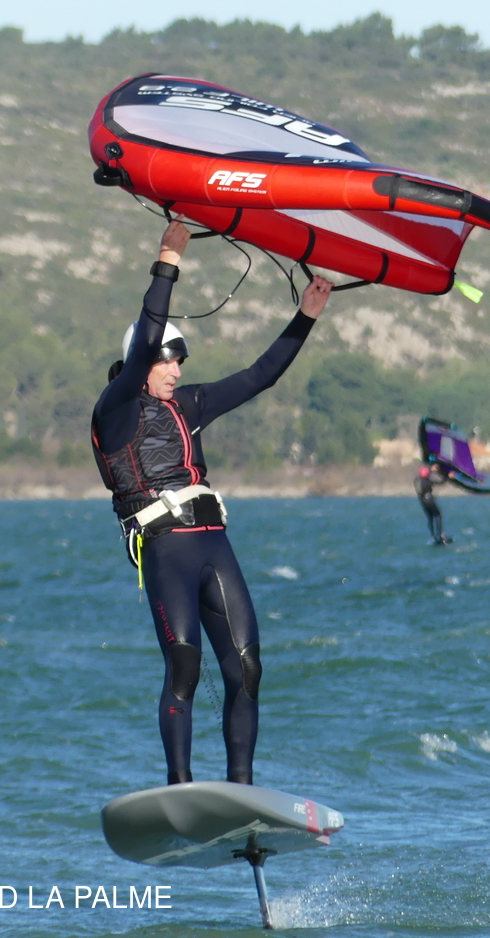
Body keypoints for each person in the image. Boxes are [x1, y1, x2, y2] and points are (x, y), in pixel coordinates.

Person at [91, 220, 332, 786]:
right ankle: (180, 785)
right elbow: (145, 338)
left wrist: (307, 315)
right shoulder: (116, 410)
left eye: (180, 362)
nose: (176, 371)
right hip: (166, 549)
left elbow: (259, 376)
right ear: (140, 365)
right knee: (185, 665)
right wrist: (168, 260)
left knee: (247, 667)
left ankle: (240, 789)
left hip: (214, 546)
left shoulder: (190, 405)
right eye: (166, 361)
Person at [414, 464, 452, 545]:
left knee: (430, 518)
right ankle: (439, 535)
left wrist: (430, 469)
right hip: (430, 501)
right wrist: (447, 477)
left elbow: (425, 473)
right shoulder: (428, 482)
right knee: (438, 515)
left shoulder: (417, 481)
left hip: (423, 502)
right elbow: (440, 483)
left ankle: (433, 536)